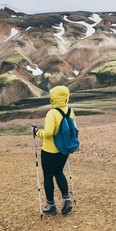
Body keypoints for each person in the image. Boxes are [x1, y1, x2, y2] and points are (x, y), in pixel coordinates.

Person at [33, 85, 76, 215]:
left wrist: (36, 132)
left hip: (49, 150)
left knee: (48, 176)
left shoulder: (52, 113)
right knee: (59, 172)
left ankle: (50, 206)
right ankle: (66, 199)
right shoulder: (70, 111)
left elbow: (48, 133)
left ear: (55, 98)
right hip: (64, 150)